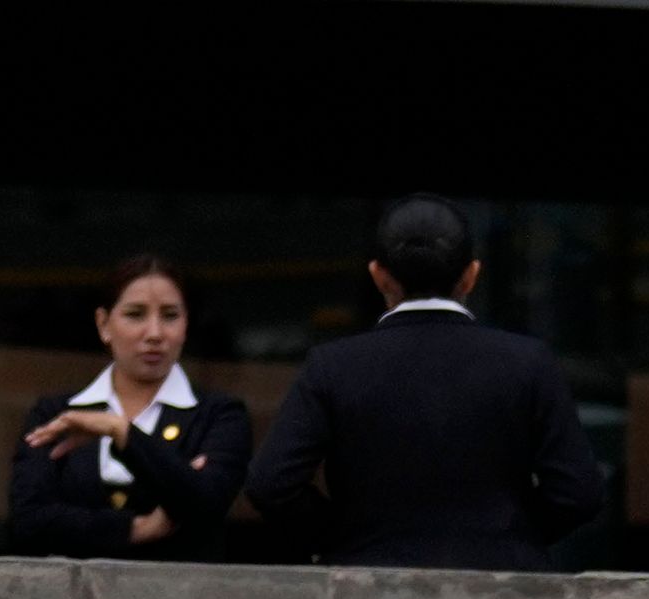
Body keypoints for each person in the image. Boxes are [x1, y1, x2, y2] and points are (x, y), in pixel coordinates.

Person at [245, 196, 605, 571]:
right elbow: (579, 493)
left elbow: (271, 483)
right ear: (471, 275)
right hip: (501, 598)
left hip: (369, 589)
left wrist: (344, 539)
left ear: (379, 275)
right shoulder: (528, 363)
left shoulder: (333, 365)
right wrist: (510, 537)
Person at [8, 253, 250, 559]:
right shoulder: (54, 413)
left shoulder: (219, 415)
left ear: (187, 324)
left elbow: (205, 507)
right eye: (135, 314)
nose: (154, 334)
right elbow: (28, 525)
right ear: (103, 324)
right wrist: (138, 528)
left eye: (170, 316)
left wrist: (120, 430)